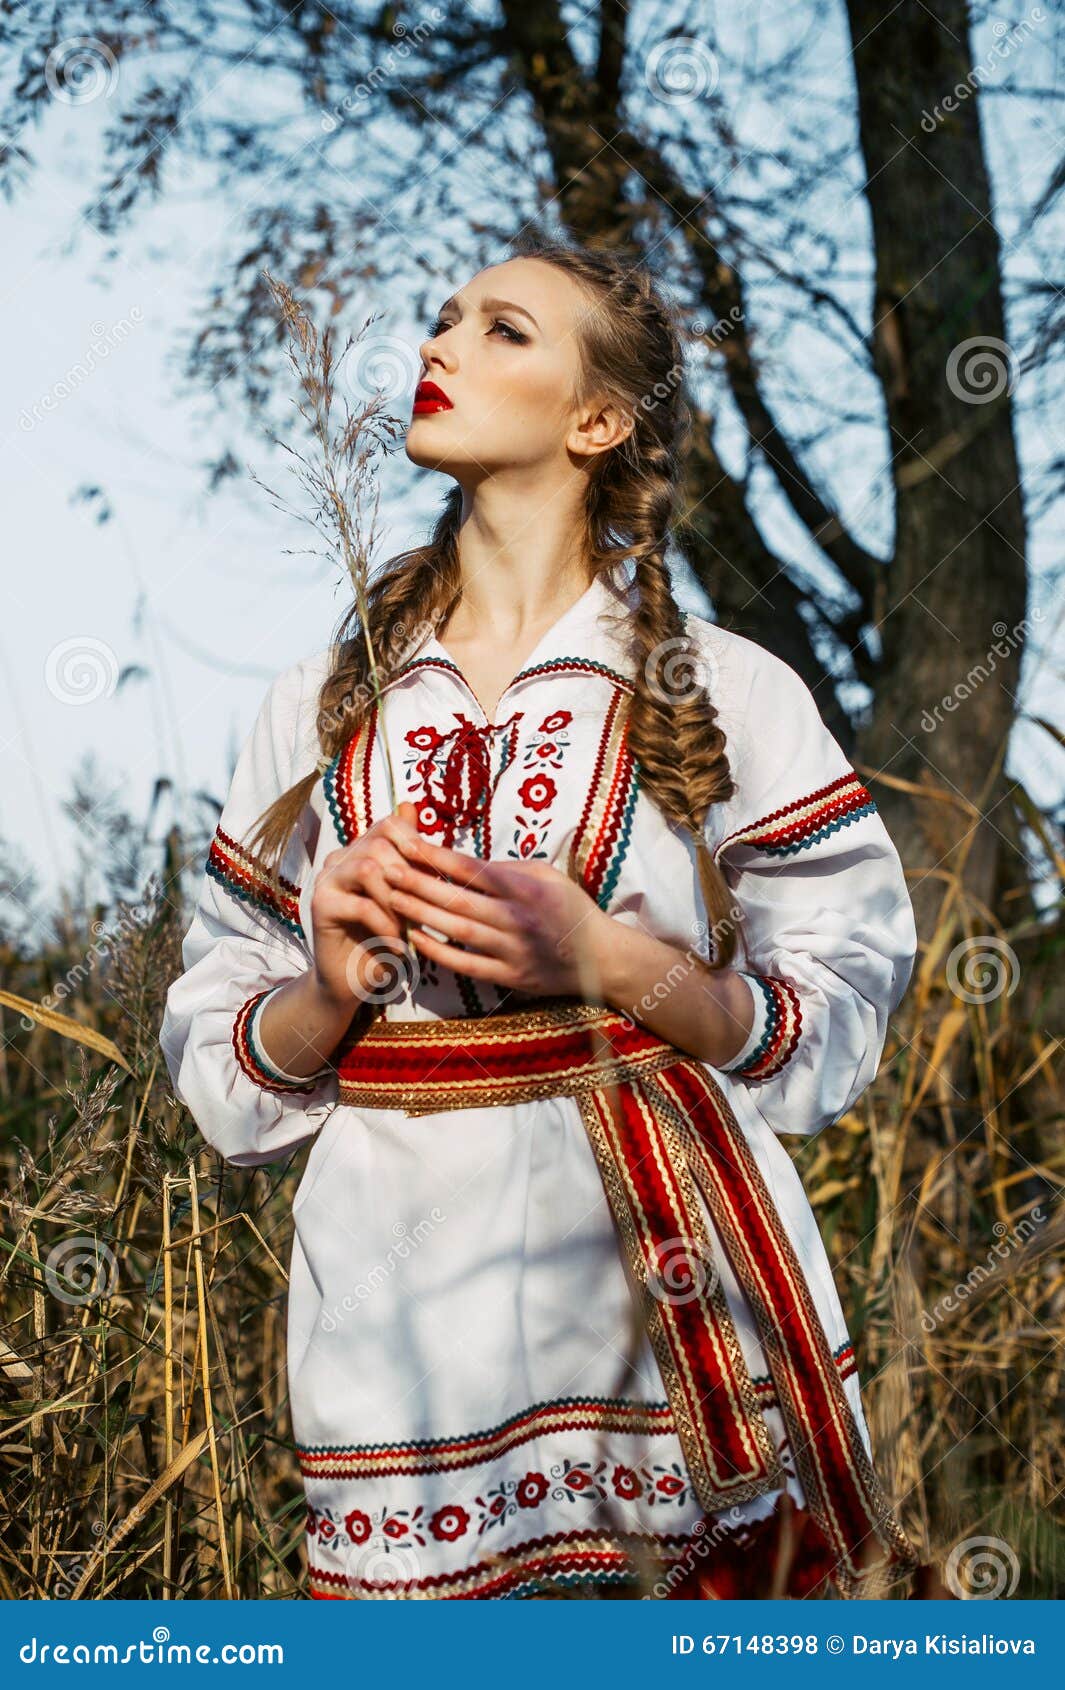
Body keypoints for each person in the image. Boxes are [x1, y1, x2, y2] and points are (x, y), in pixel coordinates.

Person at [159, 234, 925, 1601]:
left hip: (656, 1275)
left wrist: (609, 959)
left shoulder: (720, 688)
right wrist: (327, 987)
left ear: (596, 418)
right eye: (442, 319)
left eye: (501, 328)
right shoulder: (320, 700)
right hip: (398, 1311)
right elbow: (224, 1066)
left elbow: (841, 1006)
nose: (438, 346)